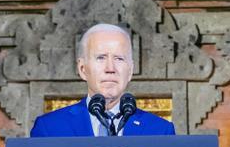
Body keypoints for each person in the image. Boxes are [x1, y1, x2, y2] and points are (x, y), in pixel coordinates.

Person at [29, 23, 175, 137]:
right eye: (101, 58)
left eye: (119, 58)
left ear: (130, 71)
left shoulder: (160, 130)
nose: (110, 68)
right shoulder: (50, 128)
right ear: (82, 69)